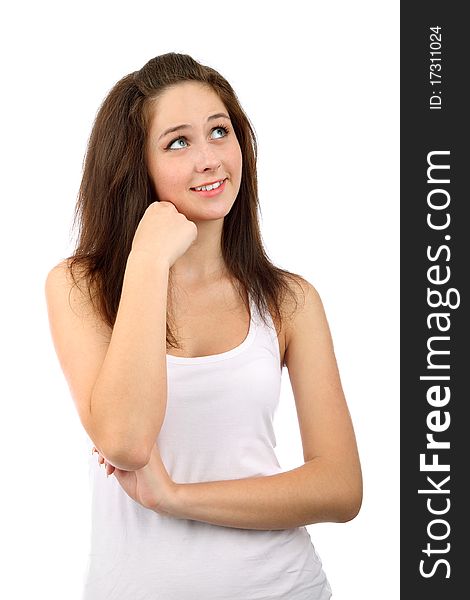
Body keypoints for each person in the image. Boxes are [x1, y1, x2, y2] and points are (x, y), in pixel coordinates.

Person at [45, 52, 362, 600]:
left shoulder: (290, 301)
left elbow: (341, 488)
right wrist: (148, 259)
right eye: (178, 142)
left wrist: (178, 498)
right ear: (134, 166)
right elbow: (124, 440)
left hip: (284, 587)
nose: (210, 158)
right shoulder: (81, 287)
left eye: (220, 132)